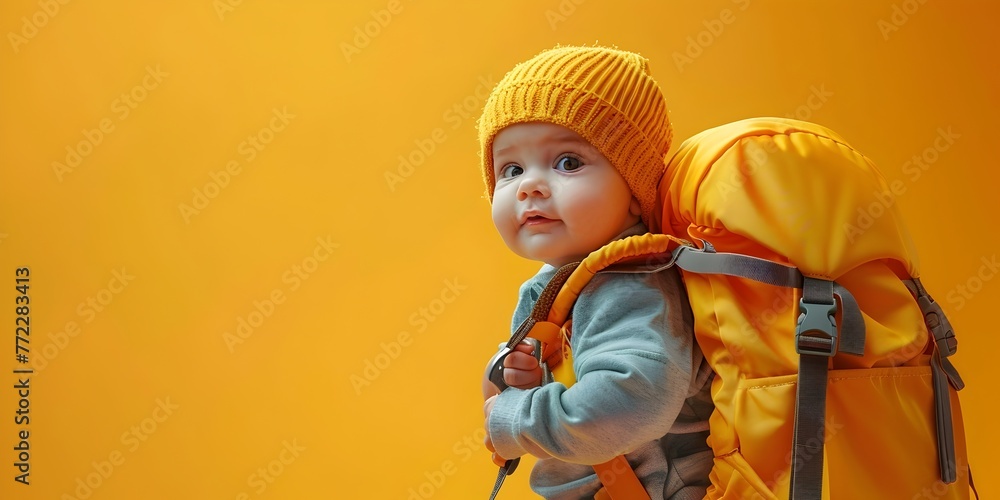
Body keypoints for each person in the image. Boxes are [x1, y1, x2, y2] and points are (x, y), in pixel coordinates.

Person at [476, 45, 715, 500]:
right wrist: (531, 381)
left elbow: (630, 402)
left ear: (633, 189)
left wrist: (516, 417)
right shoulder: (563, 282)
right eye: (510, 169)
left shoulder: (630, 284)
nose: (529, 186)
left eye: (568, 162)